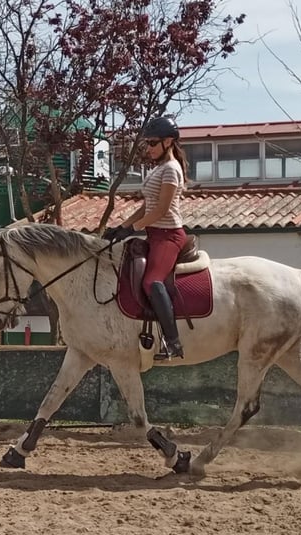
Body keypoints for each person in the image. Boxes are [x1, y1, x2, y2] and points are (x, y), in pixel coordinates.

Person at [103, 116, 188, 359]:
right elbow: (146, 207)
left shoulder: (172, 170)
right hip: (154, 233)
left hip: (169, 235)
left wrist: (134, 229)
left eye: (152, 143)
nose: (148, 148)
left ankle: (173, 342)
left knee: (151, 282)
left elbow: (161, 210)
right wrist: (122, 226)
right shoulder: (157, 169)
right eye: (147, 143)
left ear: (168, 142)